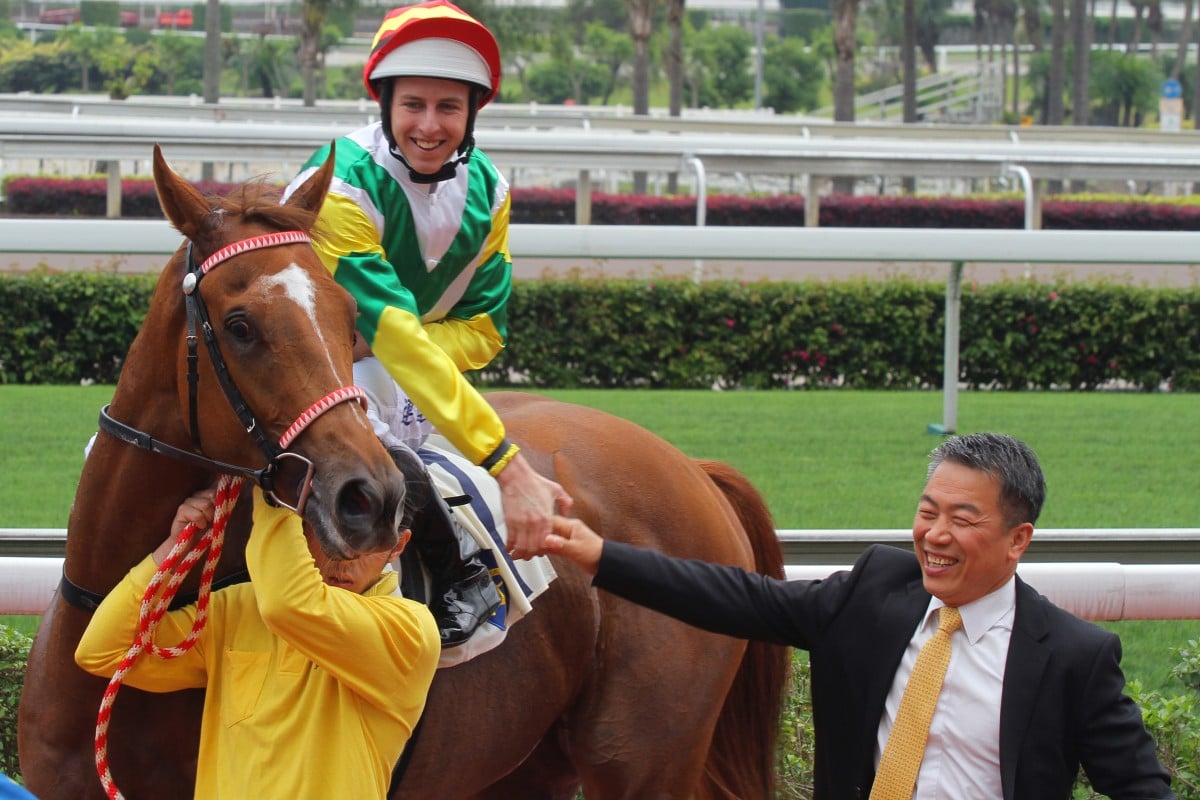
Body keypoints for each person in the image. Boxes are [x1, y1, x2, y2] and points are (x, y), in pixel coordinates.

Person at [538, 432, 1176, 800]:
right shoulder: (873, 595)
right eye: (929, 511)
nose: (936, 535)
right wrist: (600, 556)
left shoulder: (1073, 655)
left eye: (963, 519)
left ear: (1018, 539)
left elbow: (1141, 790)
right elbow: (740, 597)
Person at [282, 0, 571, 646]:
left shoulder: (489, 190)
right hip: (294, 363)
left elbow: (485, 329)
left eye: (449, 107)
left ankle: (459, 569)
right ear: (385, 105)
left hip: (393, 374)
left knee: (394, 439)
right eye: (413, 104)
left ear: (473, 114)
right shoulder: (342, 182)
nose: (429, 125)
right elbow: (398, 333)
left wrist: (395, 349)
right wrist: (507, 464)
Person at [75, 485, 440, 799]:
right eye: (329, 533)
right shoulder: (240, 607)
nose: (345, 557)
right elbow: (104, 651)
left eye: (367, 540)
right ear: (301, 530)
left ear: (398, 545)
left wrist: (273, 490)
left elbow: (289, 604)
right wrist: (176, 548)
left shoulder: (410, 630)